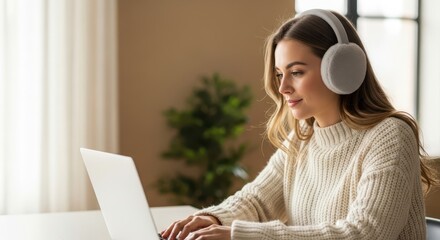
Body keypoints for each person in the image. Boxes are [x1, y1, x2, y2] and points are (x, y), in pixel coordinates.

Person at [161, 9, 436, 240]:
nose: (282, 87)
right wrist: (211, 218)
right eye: (280, 74)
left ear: (342, 70)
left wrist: (238, 235)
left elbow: (363, 233)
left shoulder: (389, 135)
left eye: (296, 72)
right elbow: (256, 202)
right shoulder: (303, 137)